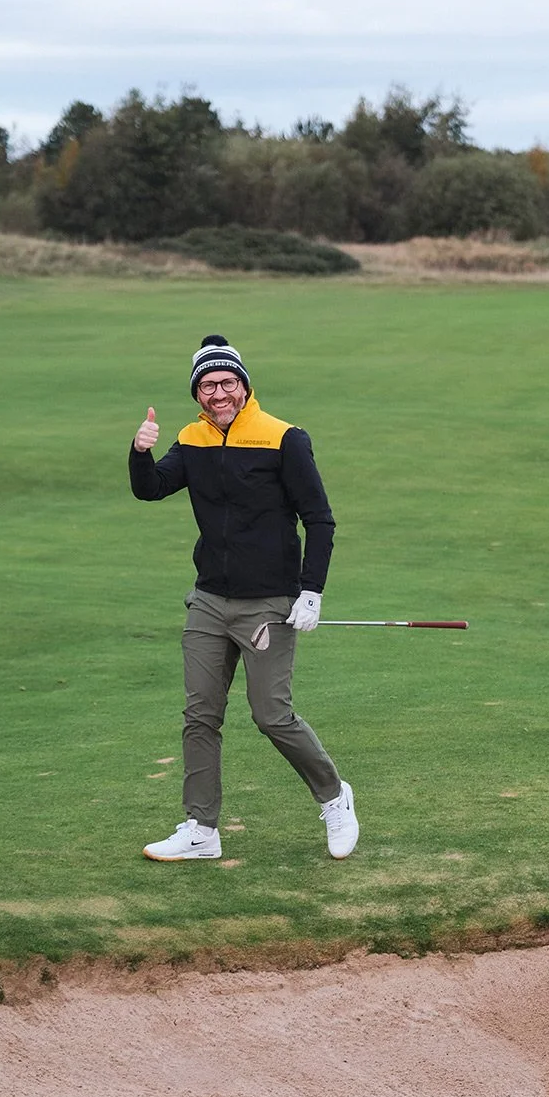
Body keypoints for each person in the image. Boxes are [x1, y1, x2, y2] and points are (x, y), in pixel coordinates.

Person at [129, 335, 358, 861]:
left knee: (271, 714)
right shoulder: (192, 439)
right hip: (210, 600)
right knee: (200, 716)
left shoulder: (284, 438)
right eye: (207, 386)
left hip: (268, 603)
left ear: (244, 385)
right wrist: (140, 453)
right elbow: (152, 488)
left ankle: (334, 797)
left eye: (227, 382)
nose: (218, 393)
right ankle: (201, 829)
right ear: (197, 393)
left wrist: (311, 591)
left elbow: (318, 519)